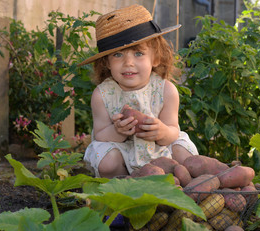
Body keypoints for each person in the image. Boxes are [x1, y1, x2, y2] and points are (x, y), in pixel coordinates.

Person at [79, 4, 198, 178]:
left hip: (160, 151)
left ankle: (184, 188)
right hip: (123, 151)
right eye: (118, 55)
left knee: (182, 152)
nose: (128, 63)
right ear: (106, 63)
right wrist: (117, 131)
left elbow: (173, 130)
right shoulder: (102, 95)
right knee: (107, 161)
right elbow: (101, 135)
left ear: (155, 58)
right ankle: (124, 185)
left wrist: (162, 131)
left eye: (138, 53)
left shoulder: (166, 90)